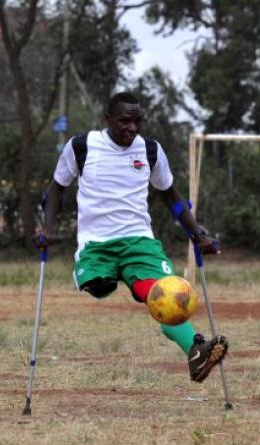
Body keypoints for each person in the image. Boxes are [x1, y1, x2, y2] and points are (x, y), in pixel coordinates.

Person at [40, 92, 228, 383]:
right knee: (98, 286)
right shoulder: (82, 146)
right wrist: (47, 229)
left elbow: (172, 198)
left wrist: (197, 233)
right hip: (96, 244)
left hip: (138, 242)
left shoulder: (150, 150)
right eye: (125, 121)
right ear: (108, 119)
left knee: (163, 295)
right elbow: (55, 189)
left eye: (137, 121)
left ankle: (196, 351)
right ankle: (111, 275)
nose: (132, 128)